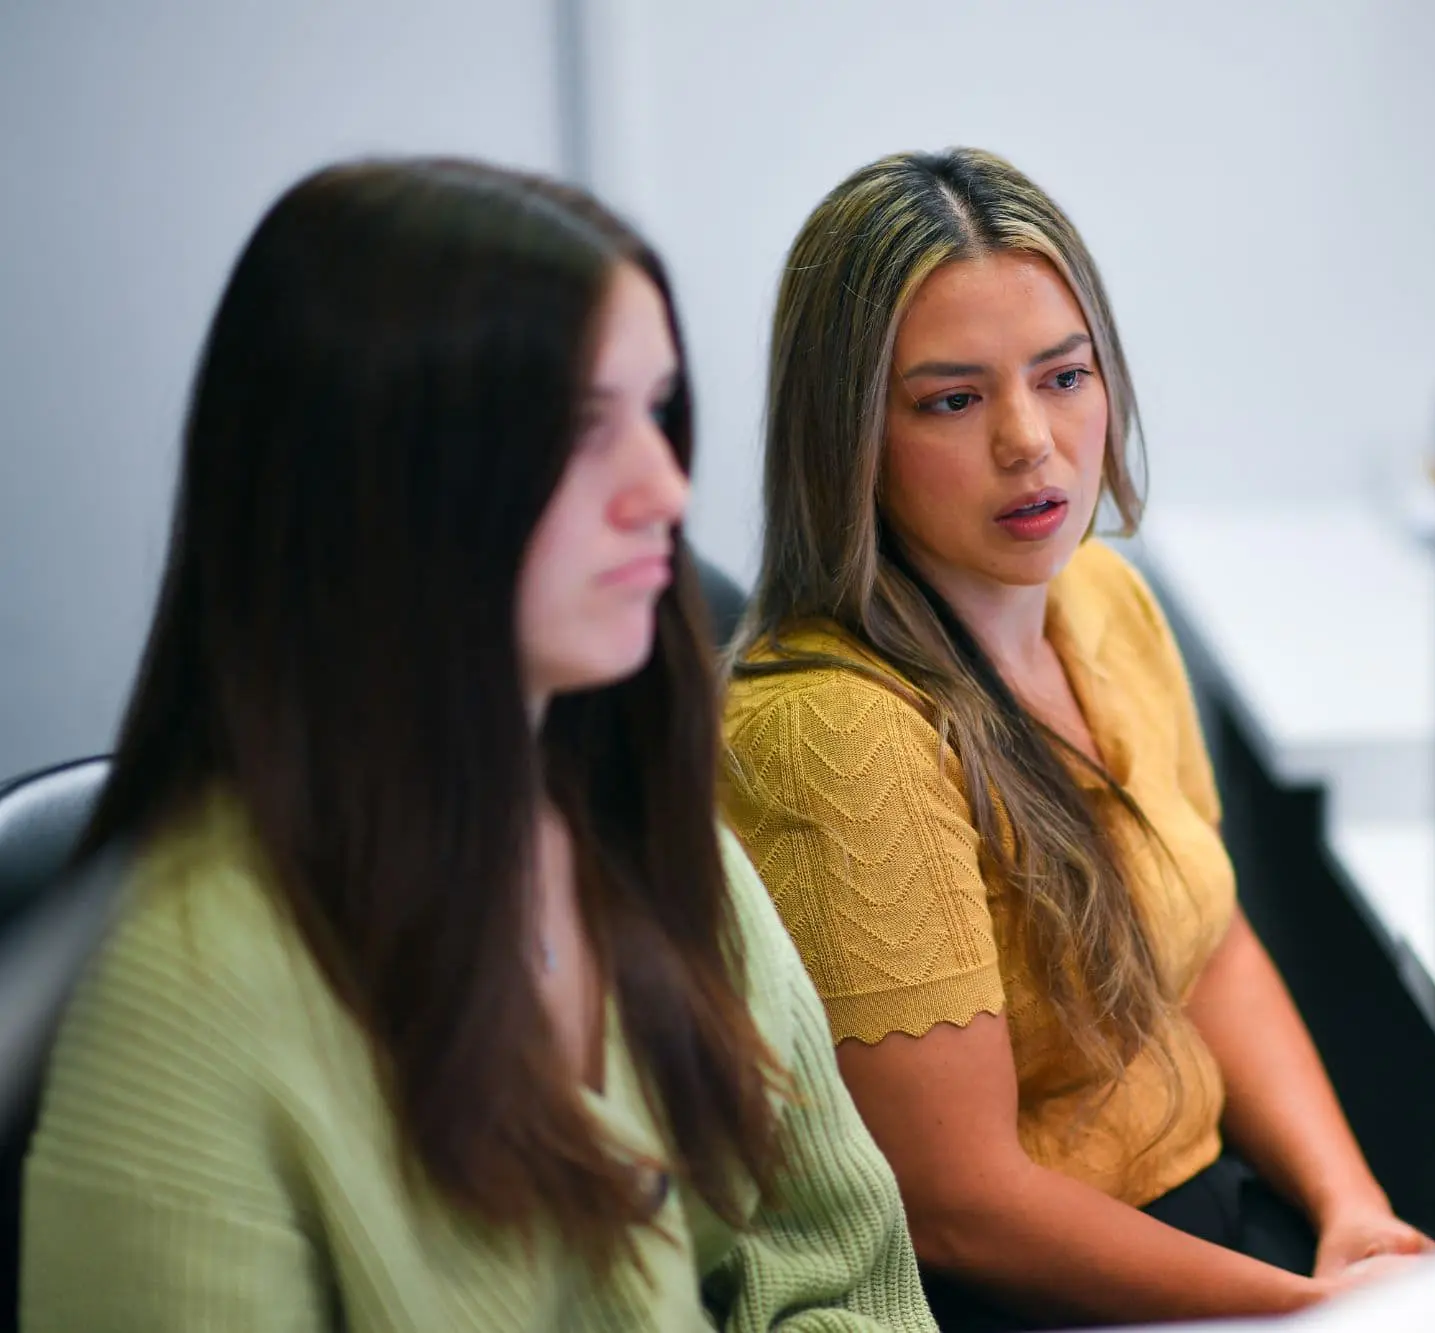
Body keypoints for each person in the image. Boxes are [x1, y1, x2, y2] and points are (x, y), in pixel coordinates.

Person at [21, 158, 936, 1332]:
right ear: (371, 484)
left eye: (658, 413)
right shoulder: (189, 988)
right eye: (576, 430)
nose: (663, 489)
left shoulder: (644, 836)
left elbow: (841, 1271)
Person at [720, 147, 1433, 1331]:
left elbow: (1206, 948)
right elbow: (961, 1206)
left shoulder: (1098, 595)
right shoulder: (828, 730)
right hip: (1032, 1295)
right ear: (846, 438)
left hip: (1217, 1225)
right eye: (951, 400)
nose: (1030, 442)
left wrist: (1351, 1214)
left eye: (1062, 376)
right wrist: (1308, 1312)